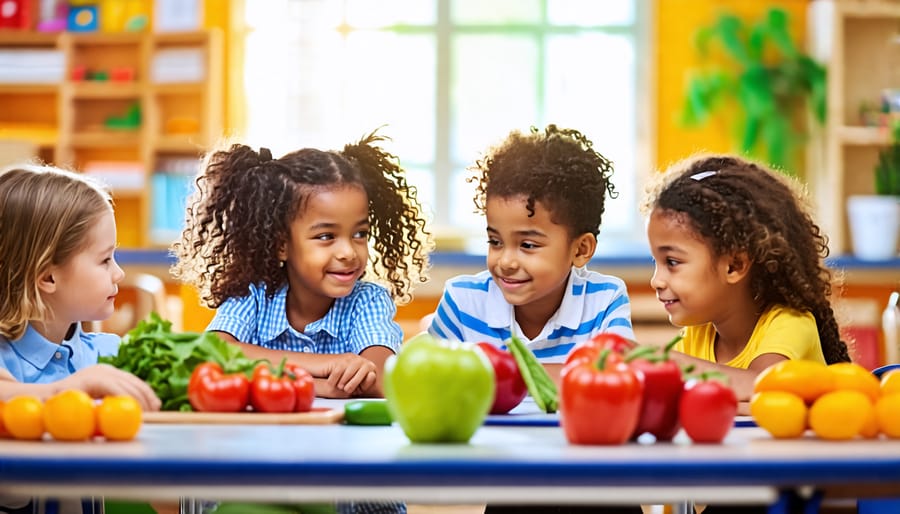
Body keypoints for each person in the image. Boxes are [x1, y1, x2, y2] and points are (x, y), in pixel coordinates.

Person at [171, 130, 431, 399]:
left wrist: (266, 369)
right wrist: (321, 373)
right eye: (326, 237)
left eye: (359, 234)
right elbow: (211, 352)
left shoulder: (367, 301)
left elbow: (381, 379)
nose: (348, 252)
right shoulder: (253, 296)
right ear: (281, 245)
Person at [0, 163, 163, 514]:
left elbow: (164, 494)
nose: (119, 272)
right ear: (47, 277)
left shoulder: (112, 359)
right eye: (105, 260)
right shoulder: (7, 362)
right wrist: (72, 388)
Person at [427, 124, 634, 384]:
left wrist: (495, 375)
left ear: (580, 249)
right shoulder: (463, 301)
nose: (506, 262)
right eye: (495, 241)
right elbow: (428, 378)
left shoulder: (604, 300)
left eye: (527, 245)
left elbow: (618, 377)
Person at [643, 153, 851, 406]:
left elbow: (762, 385)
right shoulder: (698, 336)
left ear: (734, 265)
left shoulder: (790, 323)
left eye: (672, 263)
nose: (656, 281)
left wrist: (661, 360)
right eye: (656, 262)